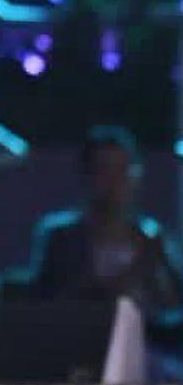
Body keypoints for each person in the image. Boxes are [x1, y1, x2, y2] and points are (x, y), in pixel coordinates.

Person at [28, 127, 183, 339]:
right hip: (77, 345)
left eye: (122, 170)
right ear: (86, 175)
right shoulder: (62, 238)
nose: (114, 182)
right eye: (104, 170)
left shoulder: (152, 239)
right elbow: (48, 305)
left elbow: (172, 307)